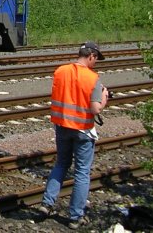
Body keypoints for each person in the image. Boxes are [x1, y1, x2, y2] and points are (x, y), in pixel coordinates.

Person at [38, 41, 109, 229]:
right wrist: (104, 99)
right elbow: (95, 109)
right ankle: (75, 216)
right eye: (96, 59)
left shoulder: (60, 71)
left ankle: (47, 204)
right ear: (91, 56)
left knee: (61, 164)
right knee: (82, 173)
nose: (96, 63)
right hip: (83, 130)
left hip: (62, 126)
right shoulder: (93, 78)